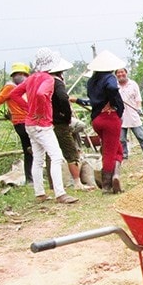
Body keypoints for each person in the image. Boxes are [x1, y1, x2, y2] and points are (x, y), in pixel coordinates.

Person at [8, 48, 78, 204]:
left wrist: (28, 107)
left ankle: (40, 193)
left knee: (38, 159)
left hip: (30, 124)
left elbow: (13, 94)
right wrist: (40, 109)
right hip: (42, 124)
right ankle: (60, 193)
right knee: (57, 157)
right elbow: (41, 94)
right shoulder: (48, 79)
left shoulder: (31, 78)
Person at [0, 62, 33, 183]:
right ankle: (30, 178)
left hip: (28, 121)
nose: (21, 77)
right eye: (18, 74)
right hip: (21, 122)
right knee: (31, 149)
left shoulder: (23, 88)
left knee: (30, 151)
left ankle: (31, 178)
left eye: (23, 74)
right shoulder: (10, 87)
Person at [49, 57, 94, 191]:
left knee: (50, 153)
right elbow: (63, 98)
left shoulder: (45, 82)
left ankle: (53, 184)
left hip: (48, 122)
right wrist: (67, 115)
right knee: (71, 152)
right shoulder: (57, 83)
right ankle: (77, 182)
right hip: (59, 122)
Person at [84, 50, 126, 194]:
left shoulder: (91, 81)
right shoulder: (109, 78)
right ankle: (107, 185)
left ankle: (116, 175)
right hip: (109, 118)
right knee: (109, 152)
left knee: (117, 148)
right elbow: (112, 88)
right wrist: (114, 103)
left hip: (96, 119)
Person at [115, 67, 143, 161]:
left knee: (141, 136)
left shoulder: (133, 84)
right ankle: (124, 156)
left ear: (126, 73)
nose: (120, 74)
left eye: (122, 72)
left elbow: (138, 99)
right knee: (121, 139)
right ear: (116, 75)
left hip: (133, 113)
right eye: (118, 73)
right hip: (120, 115)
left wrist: (139, 108)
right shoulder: (115, 86)